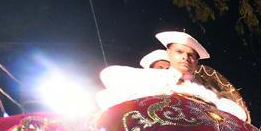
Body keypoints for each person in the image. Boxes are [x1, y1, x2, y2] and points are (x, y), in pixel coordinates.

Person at [96, 30, 248, 121]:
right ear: (169, 54)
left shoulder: (203, 90)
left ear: (196, 61)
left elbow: (238, 114)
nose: (185, 58)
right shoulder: (154, 78)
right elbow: (109, 76)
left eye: (191, 55)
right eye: (180, 52)